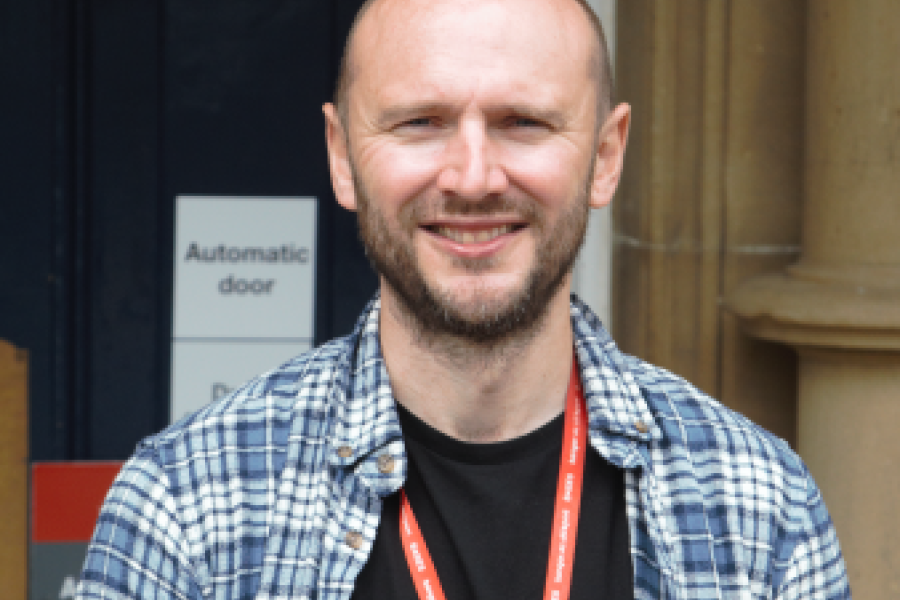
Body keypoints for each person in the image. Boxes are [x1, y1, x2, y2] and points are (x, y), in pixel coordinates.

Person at [76, 0, 851, 598]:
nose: (473, 177)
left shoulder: (757, 507)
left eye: (523, 122)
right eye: (420, 122)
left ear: (606, 157)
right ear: (343, 157)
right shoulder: (189, 504)